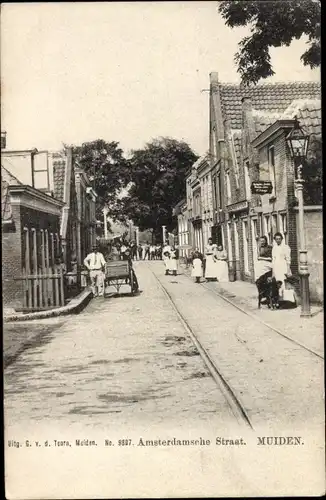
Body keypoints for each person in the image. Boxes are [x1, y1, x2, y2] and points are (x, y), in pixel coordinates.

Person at [255, 236, 273, 308]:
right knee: (258, 280)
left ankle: (267, 296)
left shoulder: (269, 248)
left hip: (267, 266)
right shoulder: (259, 248)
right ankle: (262, 293)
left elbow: (271, 258)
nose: (262, 242)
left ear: (266, 241)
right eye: (261, 241)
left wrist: (261, 258)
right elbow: (258, 257)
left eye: (263, 241)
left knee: (266, 281)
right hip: (260, 267)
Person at [272, 232, 292, 298]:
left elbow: (288, 259)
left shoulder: (286, 247)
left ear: (282, 239)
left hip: (283, 267)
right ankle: (279, 299)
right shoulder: (274, 248)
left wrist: (288, 270)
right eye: (276, 239)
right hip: (276, 267)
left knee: (284, 282)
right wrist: (273, 271)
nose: (278, 240)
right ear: (275, 240)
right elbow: (273, 259)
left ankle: (286, 299)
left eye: (279, 239)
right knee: (278, 283)